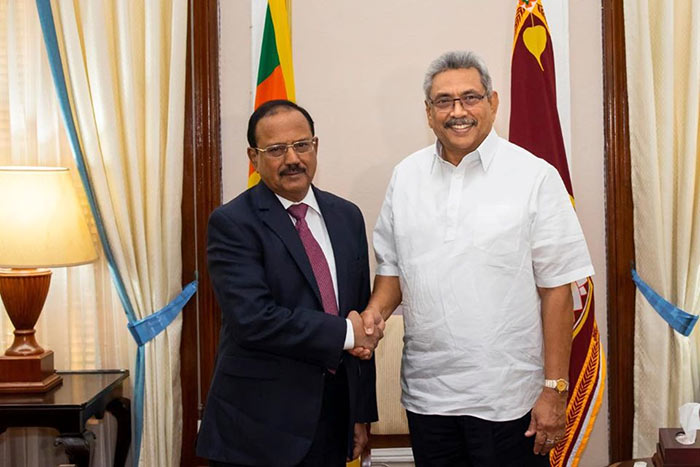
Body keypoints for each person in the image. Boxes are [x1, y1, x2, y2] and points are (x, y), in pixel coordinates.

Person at [358, 51, 595, 466]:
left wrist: (554, 388)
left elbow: (557, 289)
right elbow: (393, 270)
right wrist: (374, 314)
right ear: (429, 113)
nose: (458, 111)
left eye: (470, 97)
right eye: (444, 101)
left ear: (493, 102)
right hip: (428, 398)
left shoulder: (534, 176)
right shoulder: (406, 177)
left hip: (510, 401)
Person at [197, 99, 381, 467]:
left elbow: (358, 312)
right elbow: (254, 321)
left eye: (302, 145)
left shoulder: (346, 216)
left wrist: (360, 414)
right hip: (257, 429)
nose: (292, 158)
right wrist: (347, 334)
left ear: (315, 146)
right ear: (254, 156)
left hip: (332, 421)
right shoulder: (233, 224)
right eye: (276, 150)